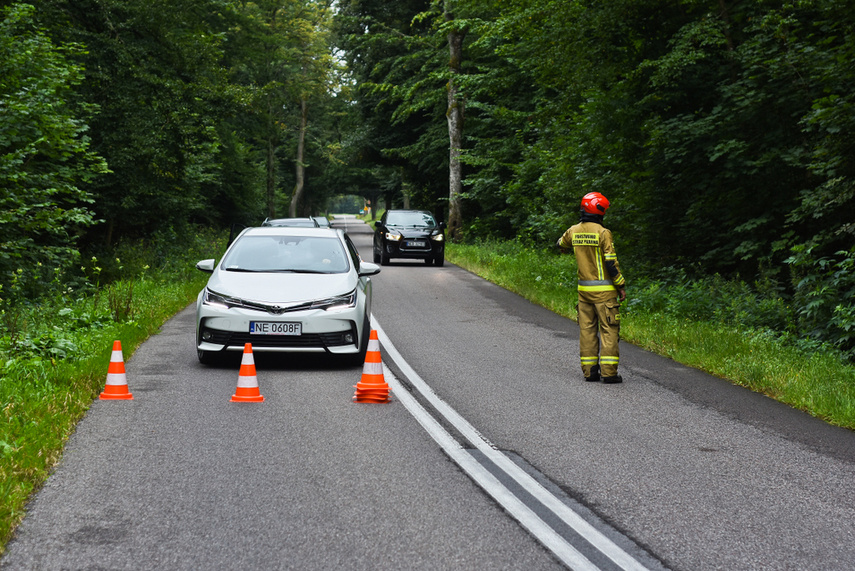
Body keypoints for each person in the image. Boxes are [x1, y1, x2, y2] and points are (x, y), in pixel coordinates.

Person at [557, 192, 626, 383]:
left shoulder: (574, 230)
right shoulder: (603, 233)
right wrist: (620, 284)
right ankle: (609, 373)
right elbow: (611, 263)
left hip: (584, 294)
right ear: (600, 211)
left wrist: (565, 248)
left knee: (587, 331)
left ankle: (590, 372)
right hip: (604, 294)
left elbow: (560, 243)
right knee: (609, 331)